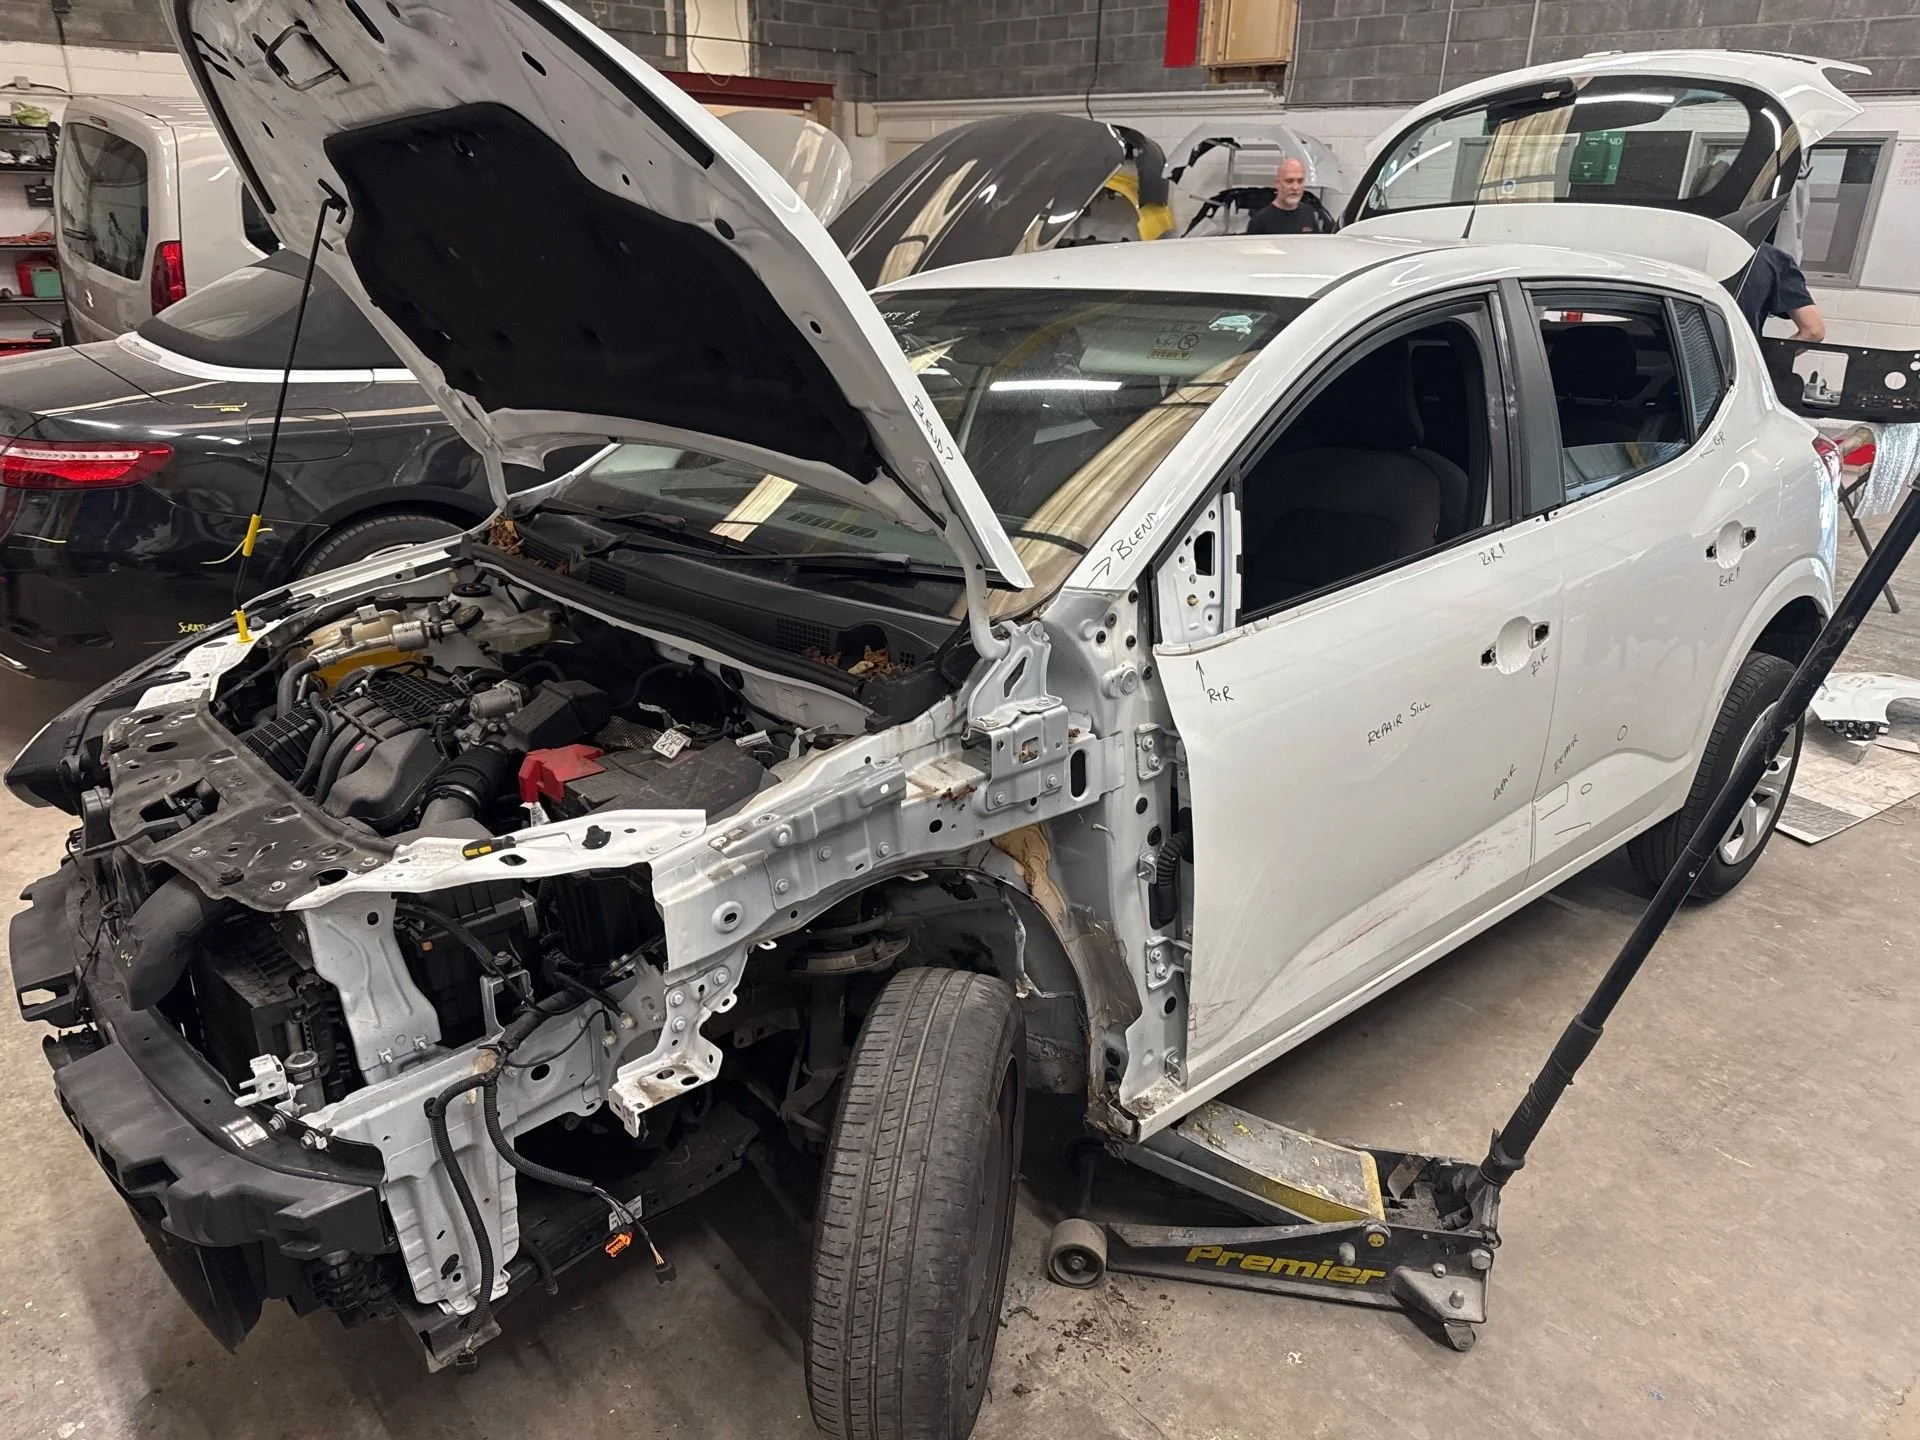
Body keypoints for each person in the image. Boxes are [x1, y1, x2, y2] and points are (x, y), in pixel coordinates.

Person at [1728, 241, 1826, 342]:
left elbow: (1814, 332)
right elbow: (1814, 331)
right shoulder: (1772, 258)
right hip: (1736, 353)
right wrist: (1763, 357)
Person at [1245, 158, 1336, 237]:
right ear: (1277, 183)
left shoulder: (1309, 214)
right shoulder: (1260, 222)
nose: (1295, 187)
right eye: (1289, 181)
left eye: (1300, 181)